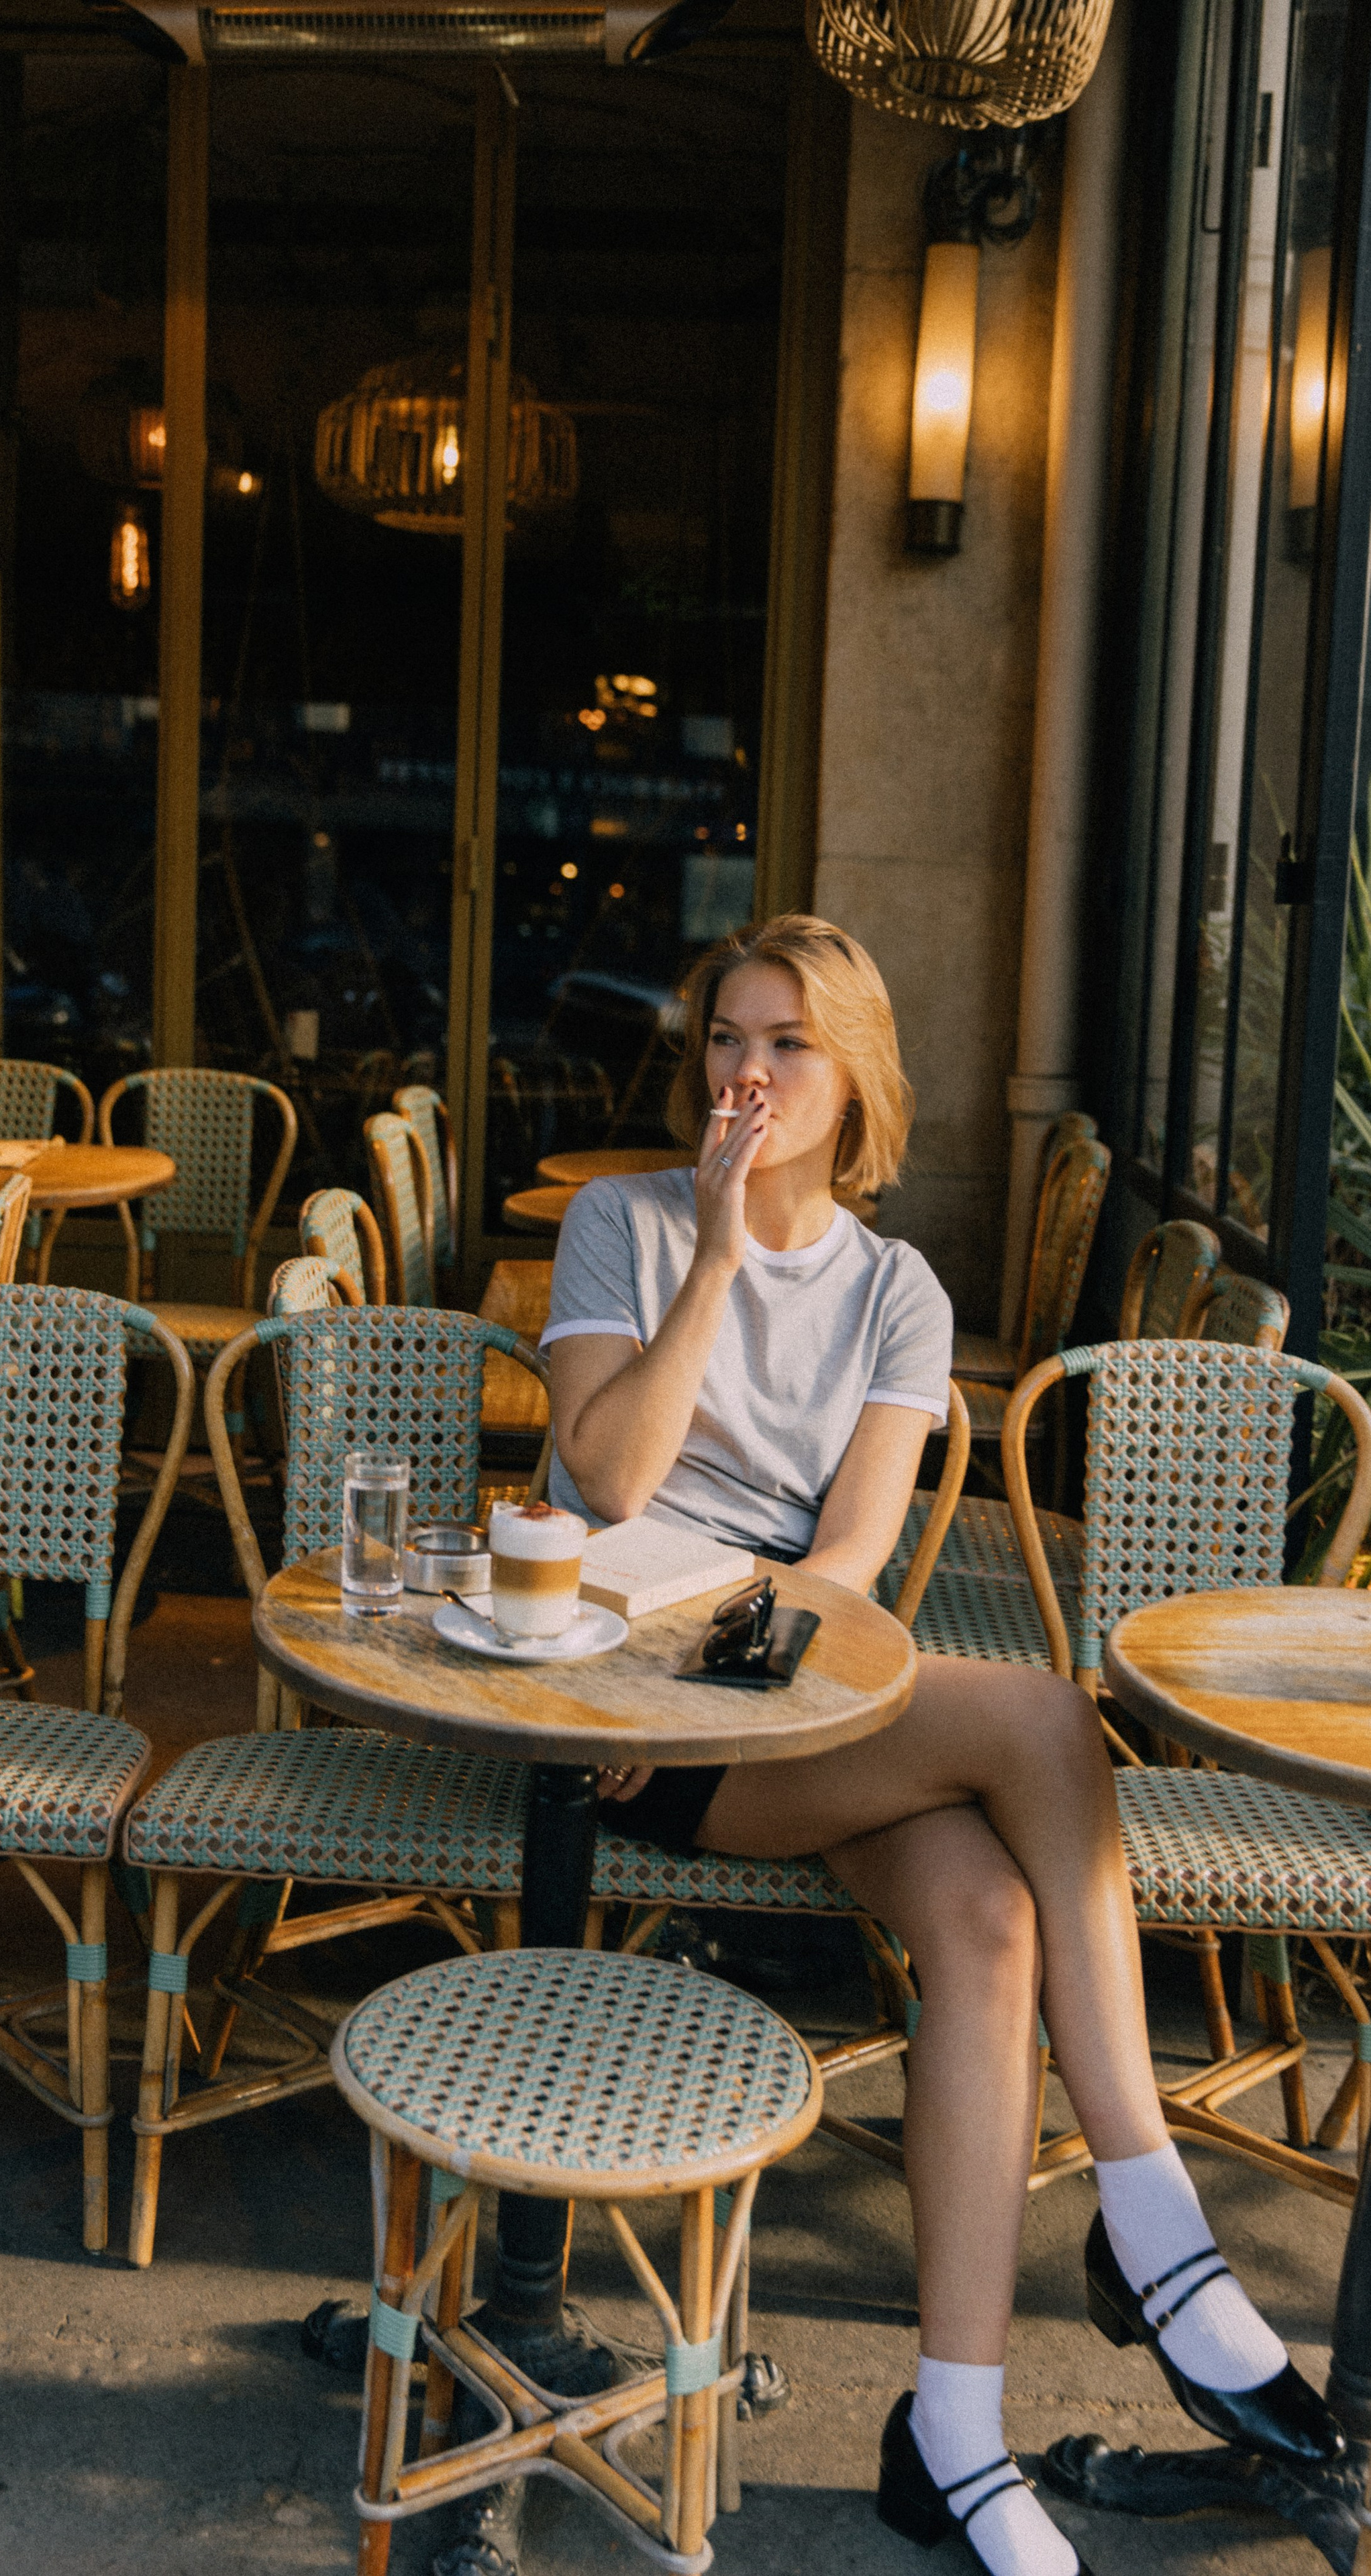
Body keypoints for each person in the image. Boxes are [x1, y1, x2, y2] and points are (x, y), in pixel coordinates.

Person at [542, 913, 1341, 2576]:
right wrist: (708, 1251)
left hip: (786, 1698)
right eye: (724, 1039)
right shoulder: (618, 1224)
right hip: (612, 1712)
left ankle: (953, 2436)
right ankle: (1153, 2223)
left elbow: (847, 1561)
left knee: (985, 1922)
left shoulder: (897, 1289)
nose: (744, 1074)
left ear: (853, 1082)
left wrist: (748, 1657)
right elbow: (611, 1486)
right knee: (1045, 1713)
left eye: (786, 1045)